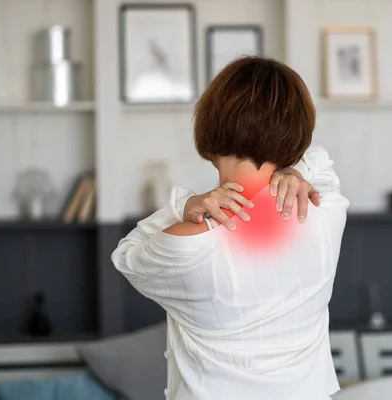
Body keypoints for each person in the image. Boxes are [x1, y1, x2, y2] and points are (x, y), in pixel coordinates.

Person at [112, 57, 349, 400]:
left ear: (209, 127)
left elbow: (125, 256)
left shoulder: (186, 244)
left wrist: (185, 205)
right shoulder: (325, 209)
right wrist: (293, 171)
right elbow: (320, 159)